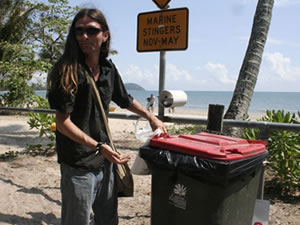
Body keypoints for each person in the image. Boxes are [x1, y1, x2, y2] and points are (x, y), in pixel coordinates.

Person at [47, 8, 166, 225]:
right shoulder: (67, 70)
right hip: (78, 164)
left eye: (91, 31)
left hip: (105, 161)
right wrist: (97, 146)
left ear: (105, 35)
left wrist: (151, 116)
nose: (84, 36)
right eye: (79, 31)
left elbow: (125, 99)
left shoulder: (108, 69)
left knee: (108, 220)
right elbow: (62, 123)